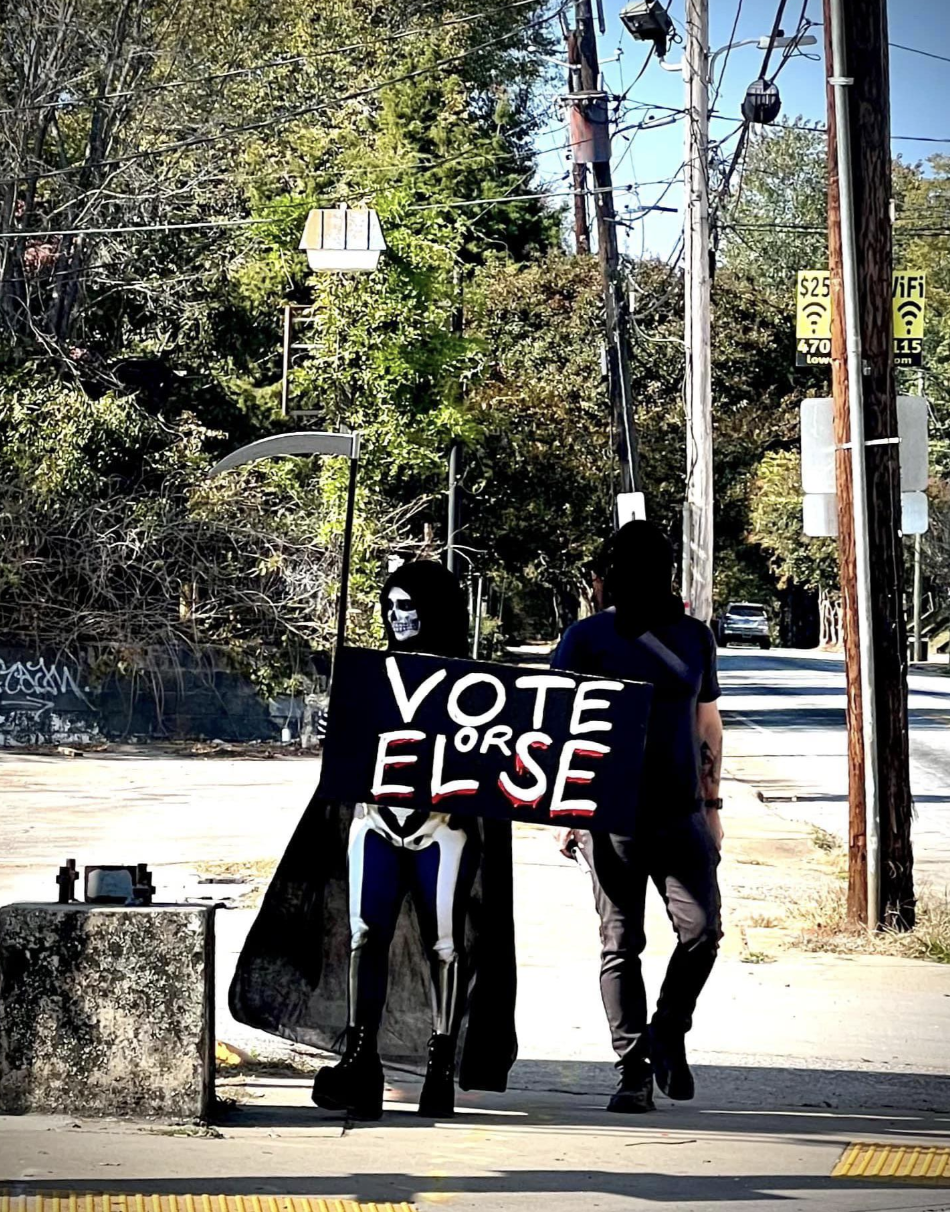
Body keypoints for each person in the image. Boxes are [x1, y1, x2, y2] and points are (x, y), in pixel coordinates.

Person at [229, 560, 517, 1121]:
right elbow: (352, 754)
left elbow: (490, 756)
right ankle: (361, 1059)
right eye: (389, 606)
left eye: (408, 606)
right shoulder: (372, 673)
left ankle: (440, 1063)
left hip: (444, 826)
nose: (397, 617)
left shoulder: (473, 683)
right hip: (375, 820)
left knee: (445, 943)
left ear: (434, 609)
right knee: (366, 935)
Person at [552, 521, 723, 1114]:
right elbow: (558, 729)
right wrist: (568, 811)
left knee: (702, 933)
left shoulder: (695, 638)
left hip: (681, 815)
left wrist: (714, 807)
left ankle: (667, 1031)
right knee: (620, 941)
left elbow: (707, 725)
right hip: (609, 819)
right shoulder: (586, 639)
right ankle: (633, 1070)